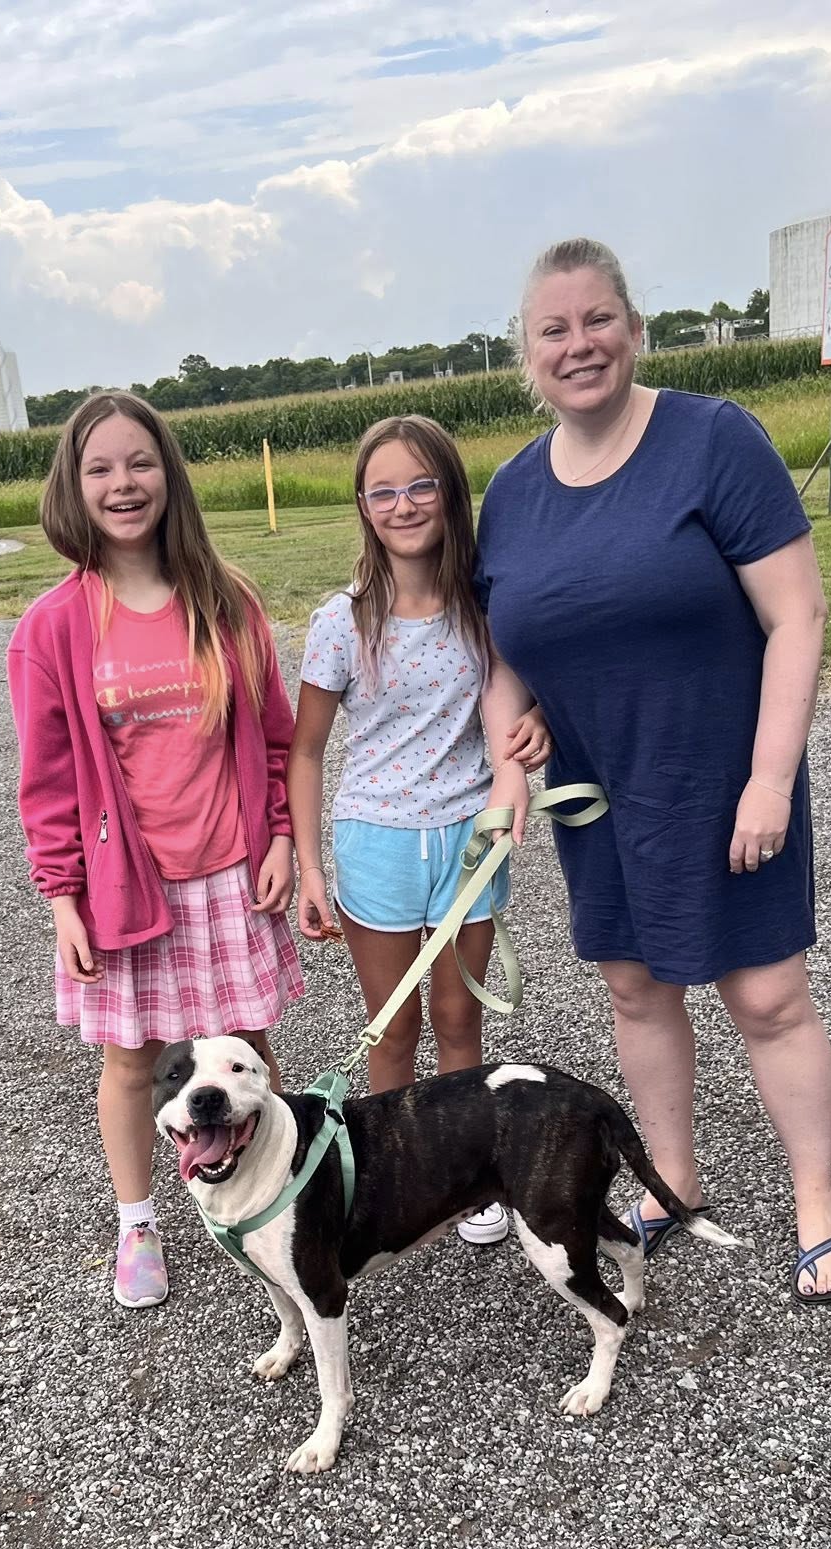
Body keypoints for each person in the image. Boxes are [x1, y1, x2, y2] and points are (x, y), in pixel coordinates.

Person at [474, 238, 831, 1303]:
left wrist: (771, 776)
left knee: (768, 992)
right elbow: (502, 648)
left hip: (724, 781)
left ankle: (814, 1196)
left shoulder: (712, 441)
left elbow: (798, 614)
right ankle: (674, 1176)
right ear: (528, 355)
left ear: (636, 329)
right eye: (554, 329)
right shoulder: (511, 492)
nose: (579, 343)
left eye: (598, 320)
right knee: (637, 989)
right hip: (599, 794)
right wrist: (514, 751)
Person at [8, 392, 302, 1310]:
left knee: (243, 1052)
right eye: (100, 468)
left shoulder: (227, 598)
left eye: (139, 463)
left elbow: (278, 736)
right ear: (75, 485)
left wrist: (284, 835)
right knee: (134, 1062)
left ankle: (268, 1202)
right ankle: (138, 1221)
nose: (123, 484)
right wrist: (62, 897)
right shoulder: (54, 626)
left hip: (230, 875)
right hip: (127, 890)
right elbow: (48, 780)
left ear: (168, 475)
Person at [288, 413, 551, 1248]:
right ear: (364, 507)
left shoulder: (484, 605)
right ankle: (396, 1174)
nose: (404, 505)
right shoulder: (344, 619)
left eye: (421, 485)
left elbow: (509, 709)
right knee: (393, 1024)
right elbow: (305, 749)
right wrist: (311, 868)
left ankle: (469, 1173)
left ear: (449, 491)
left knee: (459, 1020)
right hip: (379, 844)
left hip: (468, 841)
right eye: (383, 491)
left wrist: (525, 747)